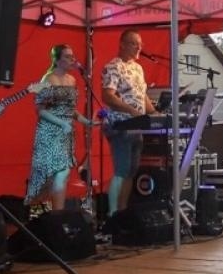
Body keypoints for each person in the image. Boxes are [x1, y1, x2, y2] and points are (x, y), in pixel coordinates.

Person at [25, 45, 92, 211]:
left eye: (73, 56)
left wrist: (86, 121)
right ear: (57, 60)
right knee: (56, 174)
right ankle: (52, 213)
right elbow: (40, 109)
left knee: (63, 174)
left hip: (66, 132)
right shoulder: (47, 79)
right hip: (50, 131)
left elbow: (69, 109)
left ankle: (58, 214)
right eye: (68, 57)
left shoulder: (72, 80)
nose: (72, 60)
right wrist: (61, 123)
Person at [101, 29, 157, 214]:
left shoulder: (138, 68)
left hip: (136, 126)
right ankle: (112, 215)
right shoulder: (113, 67)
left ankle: (122, 212)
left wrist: (154, 113)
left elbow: (142, 95)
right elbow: (108, 96)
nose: (138, 47)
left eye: (140, 44)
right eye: (134, 43)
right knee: (122, 170)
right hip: (120, 125)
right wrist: (131, 110)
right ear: (122, 44)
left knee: (131, 171)